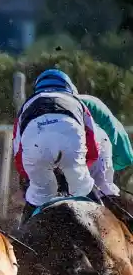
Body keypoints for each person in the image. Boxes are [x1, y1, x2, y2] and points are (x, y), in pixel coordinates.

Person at [12, 69, 100, 221]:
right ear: (69, 89)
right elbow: (93, 150)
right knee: (83, 187)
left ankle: (21, 236)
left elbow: (18, 156)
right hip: (71, 143)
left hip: (36, 151)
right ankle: (106, 228)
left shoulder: (26, 106)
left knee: (37, 196)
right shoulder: (78, 103)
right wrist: (78, 169)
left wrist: (31, 177)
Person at [77, 94, 132, 200]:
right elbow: (125, 159)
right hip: (100, 148)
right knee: (105, 189)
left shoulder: (46, 102)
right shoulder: (93, 104)